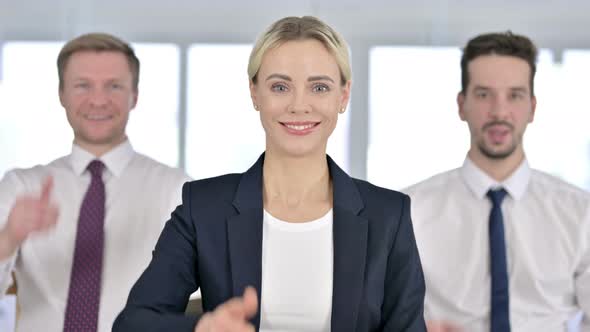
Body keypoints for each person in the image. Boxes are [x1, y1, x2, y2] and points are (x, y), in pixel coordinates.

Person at [113, 16, 426, 332]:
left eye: (319, 87)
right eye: (280, 86)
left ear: (343, 95)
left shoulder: (389, 215)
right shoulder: (204, 207)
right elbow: (134, 323)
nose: (299, 105)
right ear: (254, 93)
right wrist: (201, 330)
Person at [0, 33, 191, 331]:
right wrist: (9, 238)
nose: (99, 100)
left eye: (114, 86)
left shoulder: (177, 190)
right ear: (61, 94)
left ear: (135, 95)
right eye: (82, 85)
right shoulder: (20, 187)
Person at [404, 31, 590, 332]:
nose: (499, 111)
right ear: (461, 105)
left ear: (532, 107)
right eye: (483, 94)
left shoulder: (581, 214)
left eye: (514, 95)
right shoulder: (408, 212)